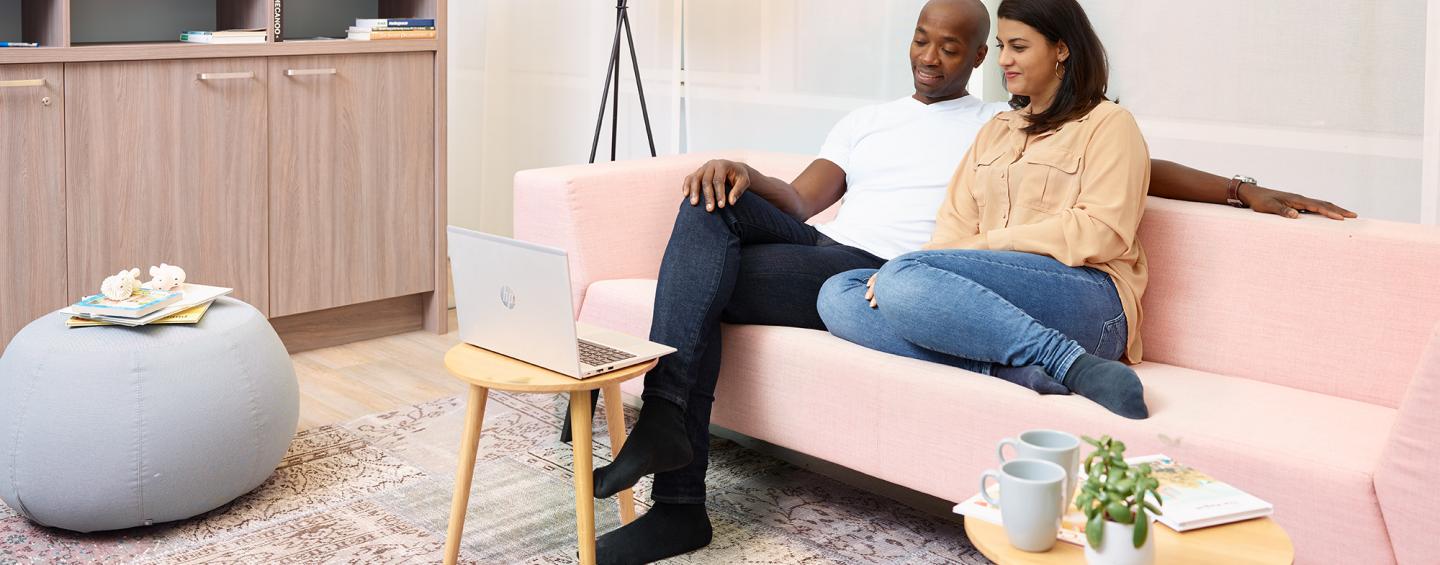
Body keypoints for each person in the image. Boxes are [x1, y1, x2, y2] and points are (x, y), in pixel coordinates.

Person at [589, 1, 1355, 563]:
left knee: (825, 276)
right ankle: (670, 434)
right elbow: (801, 200)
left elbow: (1128, 169)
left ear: (995, 54)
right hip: (851, 262)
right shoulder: (908, 124)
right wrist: (745, 173)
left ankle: (672, 456)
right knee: (708, 212)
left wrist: (1238, 187)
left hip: (944, 273)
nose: (933, 56)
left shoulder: (1014, 115)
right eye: (922, 39)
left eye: (959, 47)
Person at [819, 0, 1150, 422]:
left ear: (1061, 49)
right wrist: (924, 267)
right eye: (1000, 46)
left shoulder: (1109, 123)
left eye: (1018, 47)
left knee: (901, 276)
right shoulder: (996, 131)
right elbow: (951, 228)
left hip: (1091, 299)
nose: (1003, 60)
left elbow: (1101, 230)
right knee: (838, 294)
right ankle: (1006, 367)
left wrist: (972, 251)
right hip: (991, 302)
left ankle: (1069, 361)